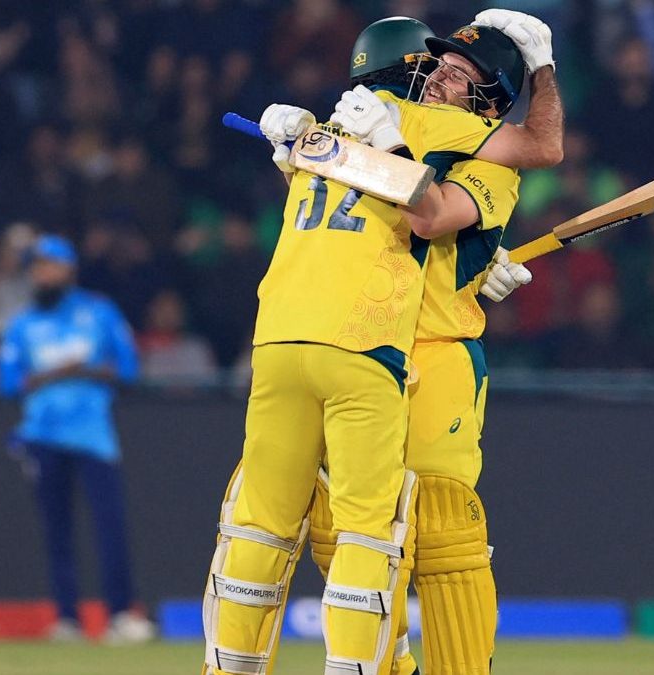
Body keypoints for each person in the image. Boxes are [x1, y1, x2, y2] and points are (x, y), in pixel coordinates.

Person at [200, 13, 551, 675]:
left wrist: (471, 257)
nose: (439, 80)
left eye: (455, 73)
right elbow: (378, 215)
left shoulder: (394, 132)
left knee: (436, 525)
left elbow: (440, 203)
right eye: (435, 66)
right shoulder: (385, 131)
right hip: (367, 346)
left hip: (419, 345)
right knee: (355, 529)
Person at [0, 234, 155, 643]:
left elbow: (128, 370)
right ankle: (67, 619)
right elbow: (8, 383)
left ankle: (121, 615)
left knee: (110, 527)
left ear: (69, 269)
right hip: (42, 435)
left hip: (93, 436)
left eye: (50, 264)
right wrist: (64, 372)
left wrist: (73, 373)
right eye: (37, 266)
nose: (42, 273)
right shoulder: (23, 324)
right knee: (57, 531)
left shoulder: (99, 313)